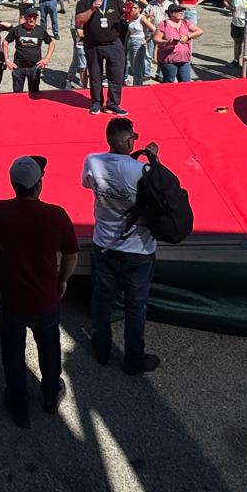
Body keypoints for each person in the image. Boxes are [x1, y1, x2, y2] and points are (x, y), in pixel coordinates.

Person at [0, 156, 78, 426]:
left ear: (13, 184)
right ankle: (50, 392)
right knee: (48, 345)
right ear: (39, 184)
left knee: (12, 349)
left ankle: (18, 403)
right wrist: (63, 280)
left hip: (10, 296)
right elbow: (70, 254)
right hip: (45, 296)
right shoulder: (55, 215)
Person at [82, 117, 160, 374]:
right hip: (138, 249)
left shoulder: (92, 161)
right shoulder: (142, 171)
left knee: (102, 300)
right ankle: (133, 358)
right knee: (136, 306)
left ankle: (101, 349)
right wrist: (154, 160)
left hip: (104, 243)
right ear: (129, 141)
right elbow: (160, 193)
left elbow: (87, 184)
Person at [76, 0, 128, 115]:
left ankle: (113, 103)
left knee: (116, 75)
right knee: (95, 75)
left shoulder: (115, 0)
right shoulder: (84, 2)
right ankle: (96, 103)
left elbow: (126, 15)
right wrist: (92, 9)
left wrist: (131, 11)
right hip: (93, 44)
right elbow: (79, 21)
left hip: (114, 43)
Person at [7, 7, 57, 99]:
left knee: (34, 94)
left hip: (34, 67)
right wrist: (7, 60)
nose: (31, 19)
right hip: (18, 67)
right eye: (29, 17)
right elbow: (5, 42)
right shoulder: (17, 29)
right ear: (25, 17)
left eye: (34, 17)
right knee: (17, 95)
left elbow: (51, 43)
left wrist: (47, 58)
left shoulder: (40, 30)